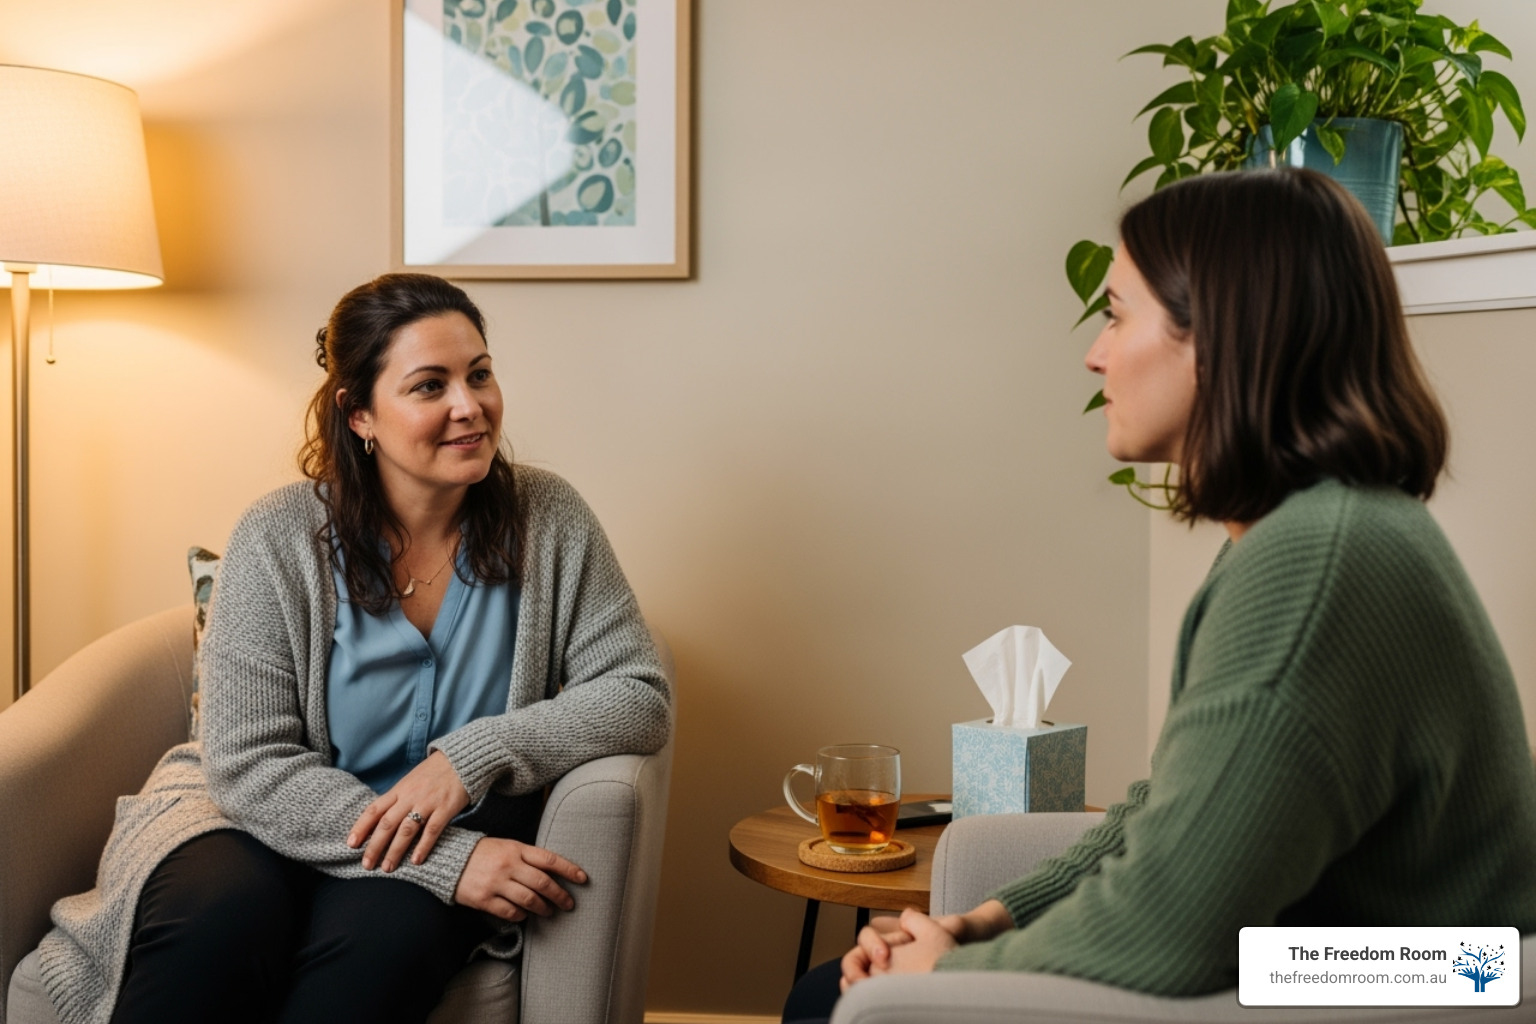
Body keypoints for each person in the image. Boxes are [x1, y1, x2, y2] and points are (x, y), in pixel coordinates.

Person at [783, 167, 1536, 1022]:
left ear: (1220, 336)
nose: (1095, 353)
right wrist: (984, 922)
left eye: (1115, 314)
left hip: (1399, 985)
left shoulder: (1314, 568)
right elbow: (1173, 810)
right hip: (1357, 970)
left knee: (826, 1002)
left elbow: (1171, 928)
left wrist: (943, 977)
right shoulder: (1314, 530)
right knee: (825, 994)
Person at [38, 273, 673, 1024]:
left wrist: (470, 758)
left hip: (432, 839)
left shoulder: (551, 518)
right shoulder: (277, 536)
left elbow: (638, 693)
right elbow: (247, 763)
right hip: (251, 818)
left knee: (383, 949)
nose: (470, 406)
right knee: (218, 921)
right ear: (359, 413)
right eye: (430, 386)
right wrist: (453, 862)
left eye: (479, 374)